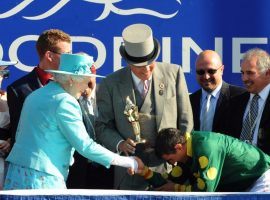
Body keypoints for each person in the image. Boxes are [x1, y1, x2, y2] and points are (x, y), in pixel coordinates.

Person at [3, 53, 140, 190]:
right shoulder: (65, 101)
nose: (87, 86)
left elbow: (20, 132)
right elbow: (85, 146)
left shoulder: (36, 95)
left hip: (16, 174)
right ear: (71, 80)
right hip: (43, 178)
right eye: (85, 80)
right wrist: (127, 162)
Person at [96, 23, 193, 190]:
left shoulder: (174, 73)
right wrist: (119, 143)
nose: (147, 69)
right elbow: (102, 126)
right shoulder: (110, 84)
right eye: (140, 66)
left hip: (169, 169)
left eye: (151, 63)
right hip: (130, 170)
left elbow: (186, 120)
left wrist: (180, 156)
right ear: (128, 62)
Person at [134, 128, 270, 192]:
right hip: (244, 184)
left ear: (178, 147)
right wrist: (142, 170)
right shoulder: (186, 151)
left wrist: (175, 188)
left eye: (170, 159)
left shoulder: (206, 147)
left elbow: (205, 191)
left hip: (261, 178)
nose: (171, 164)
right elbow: (167, 183)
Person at [7, 29, 72, 148]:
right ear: (49, 56)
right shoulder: (18, 90)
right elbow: (19, 134)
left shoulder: (74, 85)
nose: (70, 58)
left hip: (73, 162)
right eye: (66, 54)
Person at [67, 64, 114, 189]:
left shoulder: (108, 95)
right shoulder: (67, 100)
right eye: (81, 80)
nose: (84, 86)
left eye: (88, 81)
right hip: (78, 168)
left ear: (94, 76)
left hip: (107, 166)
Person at [189, 50, 246, 133]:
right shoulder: (189, 101)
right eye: (200, 72)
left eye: (211, 71)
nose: (206, 76)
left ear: (222, 70)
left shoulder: (240, 97)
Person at [226, 48, 270, 154]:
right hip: (238, 166)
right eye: (242, 73)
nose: (244, 78)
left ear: (268, 73)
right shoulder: (236, 101)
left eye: (250, 73)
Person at [0, 59, 17, 189]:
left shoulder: (8, 97)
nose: (1, 77)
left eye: (4, 72)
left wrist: (10, 141)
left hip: (5, 164)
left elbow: (19, 127)